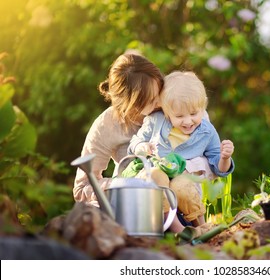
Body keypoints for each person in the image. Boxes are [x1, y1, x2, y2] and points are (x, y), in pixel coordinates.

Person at [128, 71, 235, 233]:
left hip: (180, 179)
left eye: (193, 114)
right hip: (153, 175)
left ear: (203, 107)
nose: (187, 121)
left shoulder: (207, 132)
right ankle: (176, 228)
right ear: (166, 111)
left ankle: (201, 225)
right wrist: (141, 146)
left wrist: (225, 158)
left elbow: (218, 168)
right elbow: (134, 142)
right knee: (157, 175)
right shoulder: (156, 121)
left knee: (182, 183)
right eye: (179, 116)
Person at [73, 52, 164, 206]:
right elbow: (82, 187)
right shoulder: (107, 125)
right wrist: (123, 185)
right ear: (128, 103)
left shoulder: (174, 103)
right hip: (134, 207)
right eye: (150, 100)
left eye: (160, 93)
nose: (160, 103)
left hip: (180, 201)